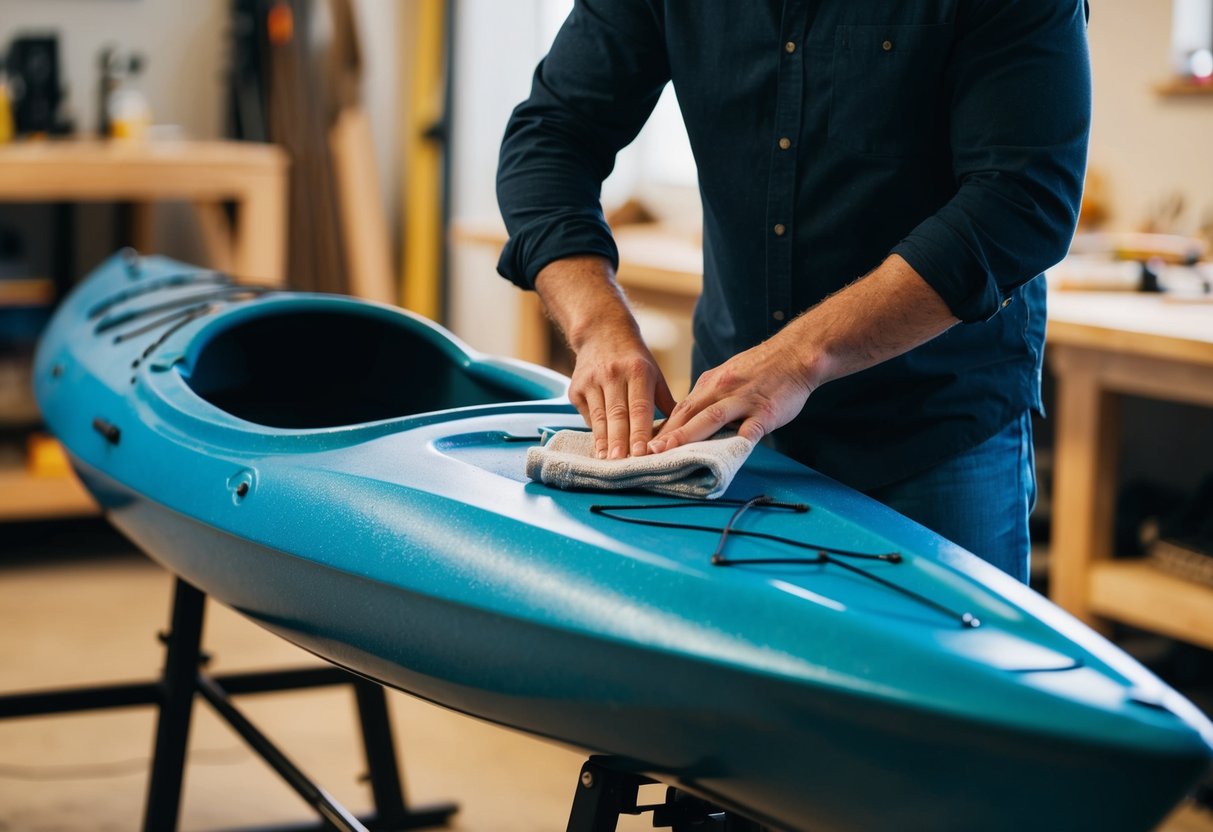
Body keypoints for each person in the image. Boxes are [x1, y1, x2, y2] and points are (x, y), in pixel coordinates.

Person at [496, 1, 1092, 583]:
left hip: (933, 430)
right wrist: (599, 326)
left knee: (945, 675)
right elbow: (552, 136)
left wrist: (799, 359)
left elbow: (1022, 199)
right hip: (732, 432)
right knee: (744, 668)